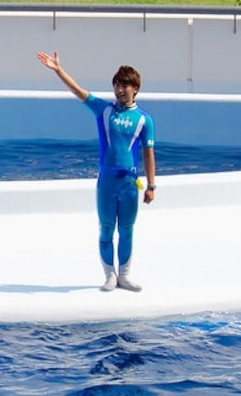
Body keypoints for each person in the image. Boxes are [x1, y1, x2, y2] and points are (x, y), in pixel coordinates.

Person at [36, 51, 157, 292]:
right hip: (107, 181)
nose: (120, 90)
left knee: (126, 229)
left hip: (129, 183)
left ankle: (124, 275)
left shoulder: (144, 120)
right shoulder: (104, 110)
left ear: (136, 89)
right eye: (117, 85)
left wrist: (151, 185)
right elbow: (78, 91)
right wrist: (59, 70)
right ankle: (109, 275)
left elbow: (148, 153)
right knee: (106, 229)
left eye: (125, 86)